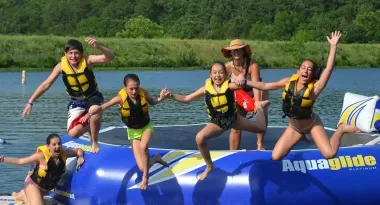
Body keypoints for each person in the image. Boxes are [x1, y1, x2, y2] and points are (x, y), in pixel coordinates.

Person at [243, 31, 360, 160]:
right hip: (294, 127)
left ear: (312, 74)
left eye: (310, 69)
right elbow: (265, 86)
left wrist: (333, 46)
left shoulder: (315, 89)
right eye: (303, 68)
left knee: (330, 154)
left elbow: (328, 69)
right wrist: (245, 82)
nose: (306, 71)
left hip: (312, 124)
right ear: (298, 71)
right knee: (276, 156)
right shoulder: (288, 82)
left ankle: (341, 129)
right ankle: (301, 136)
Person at [165, 62, 270, 180]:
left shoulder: (229, 86)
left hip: (234, 119)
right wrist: (171, 96)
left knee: (261, 127)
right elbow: (186, 98)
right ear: (210, 75)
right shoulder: (205, 89)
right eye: (214, 73)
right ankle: (209, 166)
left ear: (225, 75)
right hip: (217, 123)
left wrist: (241, 80)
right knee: (200, 138)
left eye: (221, 72)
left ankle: (260, 107)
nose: (217, 75)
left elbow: (244, 85)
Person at [21, 37, 115, 153]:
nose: (73, 56)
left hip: (93, 97)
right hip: (76, 102)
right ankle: (92, 122)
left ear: (82, 54)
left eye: (76, 53)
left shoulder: (88, 60)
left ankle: (94, 142)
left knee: (95, 110)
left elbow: (110, 57)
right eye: (70, 53)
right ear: (65, 54)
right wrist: (30, 102)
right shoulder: (61, 67)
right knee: (73, 134)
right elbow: (46, 84)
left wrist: (99, 47)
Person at [79, 74, 169, 190]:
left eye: (136, 88)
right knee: (142, 167)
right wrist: (89, 114)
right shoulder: (120, 98)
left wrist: (161, 98)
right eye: (131, 88)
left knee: (144, 147)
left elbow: (153, 102)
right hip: (132, 132)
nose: (134, 91)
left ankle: (145, 179)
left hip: (146, 127)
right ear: (125, 87)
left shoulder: (143, 92)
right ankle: (156, 158)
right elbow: (102, 107)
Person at [0, 134, 84, 205]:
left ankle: (22, 194)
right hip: (32, 184)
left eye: (59, 144)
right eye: (54, 144)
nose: (57, 147)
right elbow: (20, 161)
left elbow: (78, 150)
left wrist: (80, 157)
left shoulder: (64, 154)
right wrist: (2, 159)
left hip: (44, 189)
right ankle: (24, 194)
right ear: (48, 146)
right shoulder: (41, 156)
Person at [221, 39, 269, 150]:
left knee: (261, 117)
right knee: (236, 125)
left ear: (243, 52)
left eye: (238, 50)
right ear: (230, 53)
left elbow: (257, 85)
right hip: (239, 95)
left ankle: (260, 144)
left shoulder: (252, 65)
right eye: (233, 51)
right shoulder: (227, 67)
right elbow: (223, 87)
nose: (236, 52)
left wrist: (257, 103)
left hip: (256, 90)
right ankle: (233, 152)